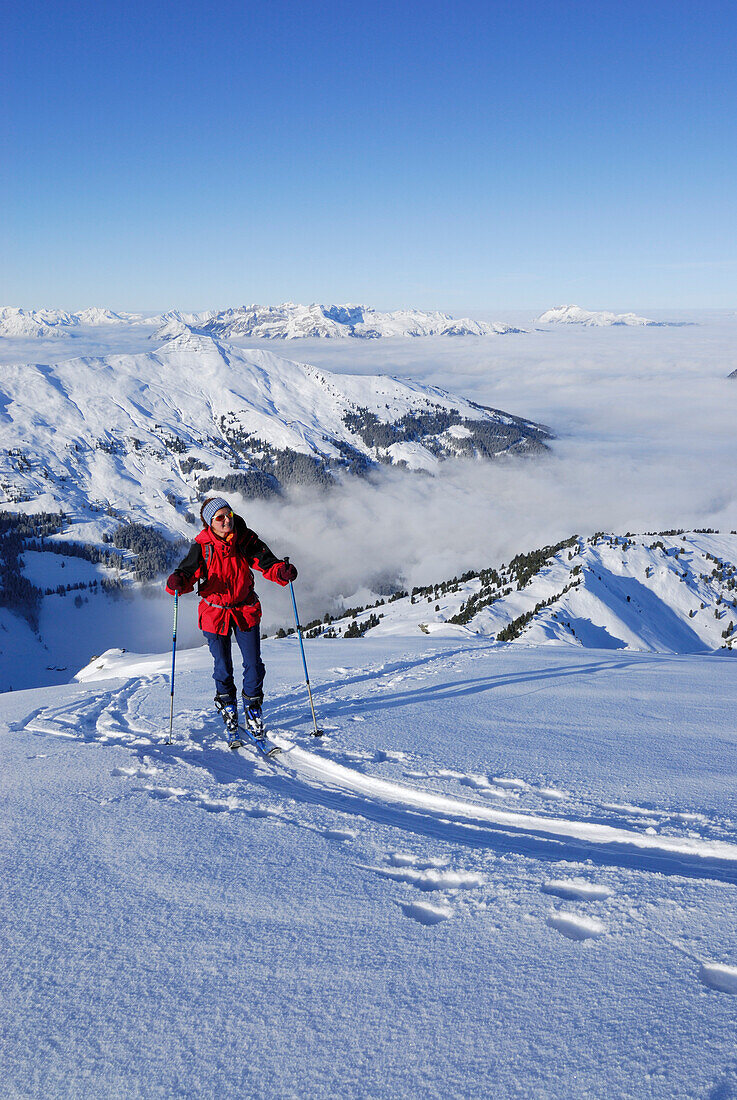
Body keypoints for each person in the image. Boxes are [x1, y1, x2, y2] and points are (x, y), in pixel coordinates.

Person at [166, 496, 297, 741]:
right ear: (209, 523)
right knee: (223, 666)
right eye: (220, 518)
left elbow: (265, 561)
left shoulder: (245, 538)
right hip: (215, 613)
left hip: (244, 609)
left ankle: (253, 708)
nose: (227, 520)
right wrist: (178, 582)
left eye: (229, 515)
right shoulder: (202, 546)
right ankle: (227, 705)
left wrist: (281, 571)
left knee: (254, 665)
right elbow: (186, 573)